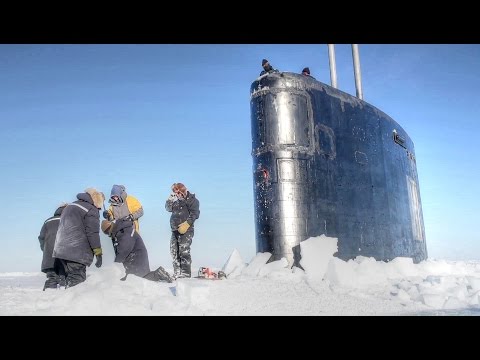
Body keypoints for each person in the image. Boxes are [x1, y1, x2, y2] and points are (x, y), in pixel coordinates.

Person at [52, 188, 104, 288]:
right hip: (76, 253)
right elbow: (92, 233)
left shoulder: (70, 206)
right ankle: (72, 303)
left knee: (69, 281)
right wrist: (98, 253)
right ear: (97, 201)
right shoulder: (90, 209)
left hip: (61, 251)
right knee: (77, 283)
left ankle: (65, 302)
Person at [101, 219, 173, 282]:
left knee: (135, 280)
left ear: (109, 229)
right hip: (135, 256)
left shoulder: (124, 231)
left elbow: (124, 250)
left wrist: (115, 265)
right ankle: (158, 273)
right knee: (138, 278)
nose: (109, 235)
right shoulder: (121, 230)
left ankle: (158, 274)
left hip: (137, 257)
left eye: (107, 233)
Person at [165, 183, 200, 278]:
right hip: (175, 230)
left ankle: (185, 273)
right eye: (174, 193)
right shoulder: (176, 202)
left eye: (178, 193)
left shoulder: (192, 200)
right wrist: (170, 200)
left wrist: (187, 224)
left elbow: (195, 213)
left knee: (183, 251)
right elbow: (168, 208)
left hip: (186, 230)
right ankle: (177, 272)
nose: (176, 195)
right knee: (174, 251)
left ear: (182, 191)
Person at [38, 203, 67, 290]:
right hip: (64, 254)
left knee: (52, 277)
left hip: (49, 255)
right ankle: (64, 297)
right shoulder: (67, 220)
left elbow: (41, 237)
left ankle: (48, 294)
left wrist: (45, 250)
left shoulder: (47, 221)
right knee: (63, 277)